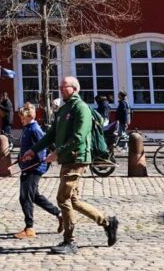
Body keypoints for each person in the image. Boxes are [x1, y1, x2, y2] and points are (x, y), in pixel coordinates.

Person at [22, 76, 118, 255]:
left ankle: (70, 240)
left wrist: (58, 153)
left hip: (76, 158)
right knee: (73, 200)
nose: (60, 88)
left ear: (74, 88)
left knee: (63, 198)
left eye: (64, 86)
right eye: (60, 85)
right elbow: (51, 135)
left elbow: (79, 137)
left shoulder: (81, 108)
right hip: (67, 159)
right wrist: (33, 150)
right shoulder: (64, 108)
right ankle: (107, 222)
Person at [14, 103, 62, 239]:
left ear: (30, 117)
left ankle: (29, 228)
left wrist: (34, 162)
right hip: (28, 166)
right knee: (34, 196)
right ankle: (59, 214)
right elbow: (26, 148)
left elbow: (42, 149)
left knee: (25, 197)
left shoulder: (34, 129)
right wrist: (19, 159)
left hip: (33, 168)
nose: (21, 120)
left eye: (23, 118)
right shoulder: (28, 128)